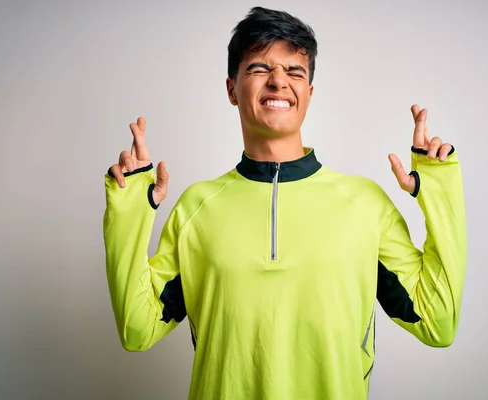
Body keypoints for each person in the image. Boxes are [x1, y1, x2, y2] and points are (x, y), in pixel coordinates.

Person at [103, 6, 466, 400]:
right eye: (260, 69)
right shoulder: (197, 207)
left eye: (295, 72)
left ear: (309, 93)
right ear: (231, 88)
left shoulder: (365, 204)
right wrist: (128, 209)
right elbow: (138, 329)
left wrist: (439, 187)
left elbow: (438, 322)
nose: (279, 82)